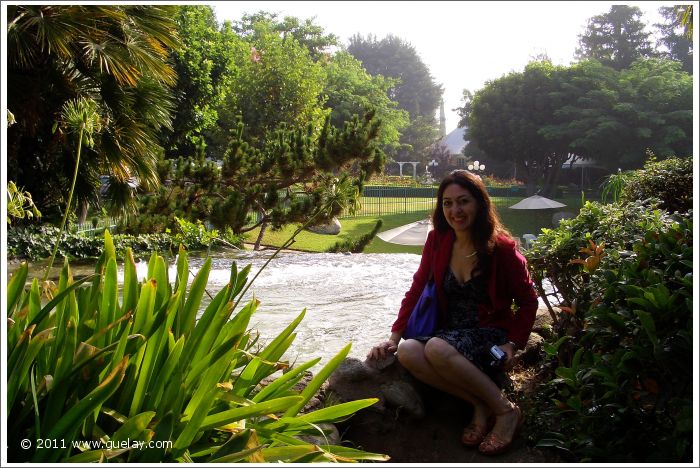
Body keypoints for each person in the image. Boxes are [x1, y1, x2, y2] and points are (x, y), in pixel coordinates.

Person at [368, 170, 538, 456]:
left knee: (436, 347)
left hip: (489, 332)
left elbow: (528, 301)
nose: (455, 211)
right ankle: (479, 404)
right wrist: (394, 336)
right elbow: (418, 287)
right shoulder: (438, 241)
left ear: (479, 204)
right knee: (409, 350)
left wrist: (513, 344)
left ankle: (506, 411)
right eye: (447, 203)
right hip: (449, 333)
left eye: (463, 202)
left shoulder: (503, 248)